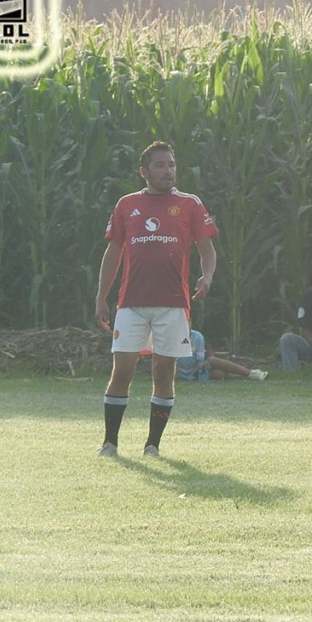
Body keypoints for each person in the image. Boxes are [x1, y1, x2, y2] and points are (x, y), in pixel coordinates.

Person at [94, 141, 218, 458]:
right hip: (130, 303)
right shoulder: (127, 205)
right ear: (144, 171)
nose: (168, 171)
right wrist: (101, 297)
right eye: (160, 165)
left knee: (163, 374)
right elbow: (112, 253)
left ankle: (152, 446)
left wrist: (207, 276)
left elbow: (207, 249)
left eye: (171, 164)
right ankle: (110, 443)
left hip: (173, 304)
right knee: (122, 372)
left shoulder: (190, 204)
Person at [178, 329, 268, 381]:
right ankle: (242, 374)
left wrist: (203, 364)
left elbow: (200, 357)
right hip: (188, 371)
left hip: (201, 364)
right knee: (219, 374)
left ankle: (250, 373)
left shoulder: (197, 336)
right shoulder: (174, 338)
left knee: (212, 360)